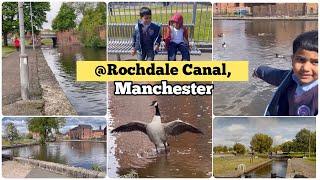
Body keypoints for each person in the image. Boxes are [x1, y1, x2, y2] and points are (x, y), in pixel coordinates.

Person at [253, 30, 318, 116]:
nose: (306, 68)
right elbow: (273, 74)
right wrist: (258, 71)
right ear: (292, 60)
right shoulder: (291, 78)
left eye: (316, 62)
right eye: (301, 60)